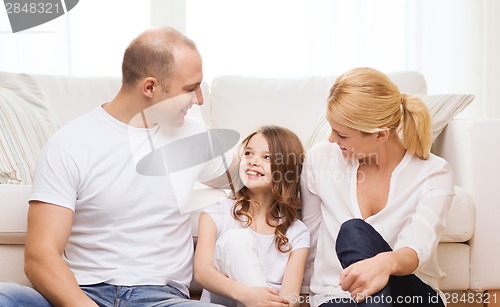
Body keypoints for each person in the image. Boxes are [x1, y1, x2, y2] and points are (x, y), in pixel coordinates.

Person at [0, 27, 236, 306]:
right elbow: (40, 256)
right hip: (82, 293)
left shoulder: (194, 136)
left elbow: (254, 175)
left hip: (160, 298)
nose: (199, 99)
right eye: (190, 88)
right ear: (149, 87)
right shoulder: (70, 143)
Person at [301, 67, 455, 307]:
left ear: (381, 135)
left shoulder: (433, 173)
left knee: (353, 232)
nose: (331, 139)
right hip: (337, 297)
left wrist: (384, 263)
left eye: (341, 135)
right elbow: (309, 237)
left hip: (409, 297)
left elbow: (417, 247)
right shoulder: (320, 159)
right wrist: (299, 297)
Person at [194, 125, 310, 307]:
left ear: (286, 169)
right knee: (235, 240)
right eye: (248, 153)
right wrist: (248, 295)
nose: (253, 161)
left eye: (267, 157)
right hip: (227, 302)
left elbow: (291, 297)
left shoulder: (297, 231)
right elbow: (202, 272)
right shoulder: (216, 213)